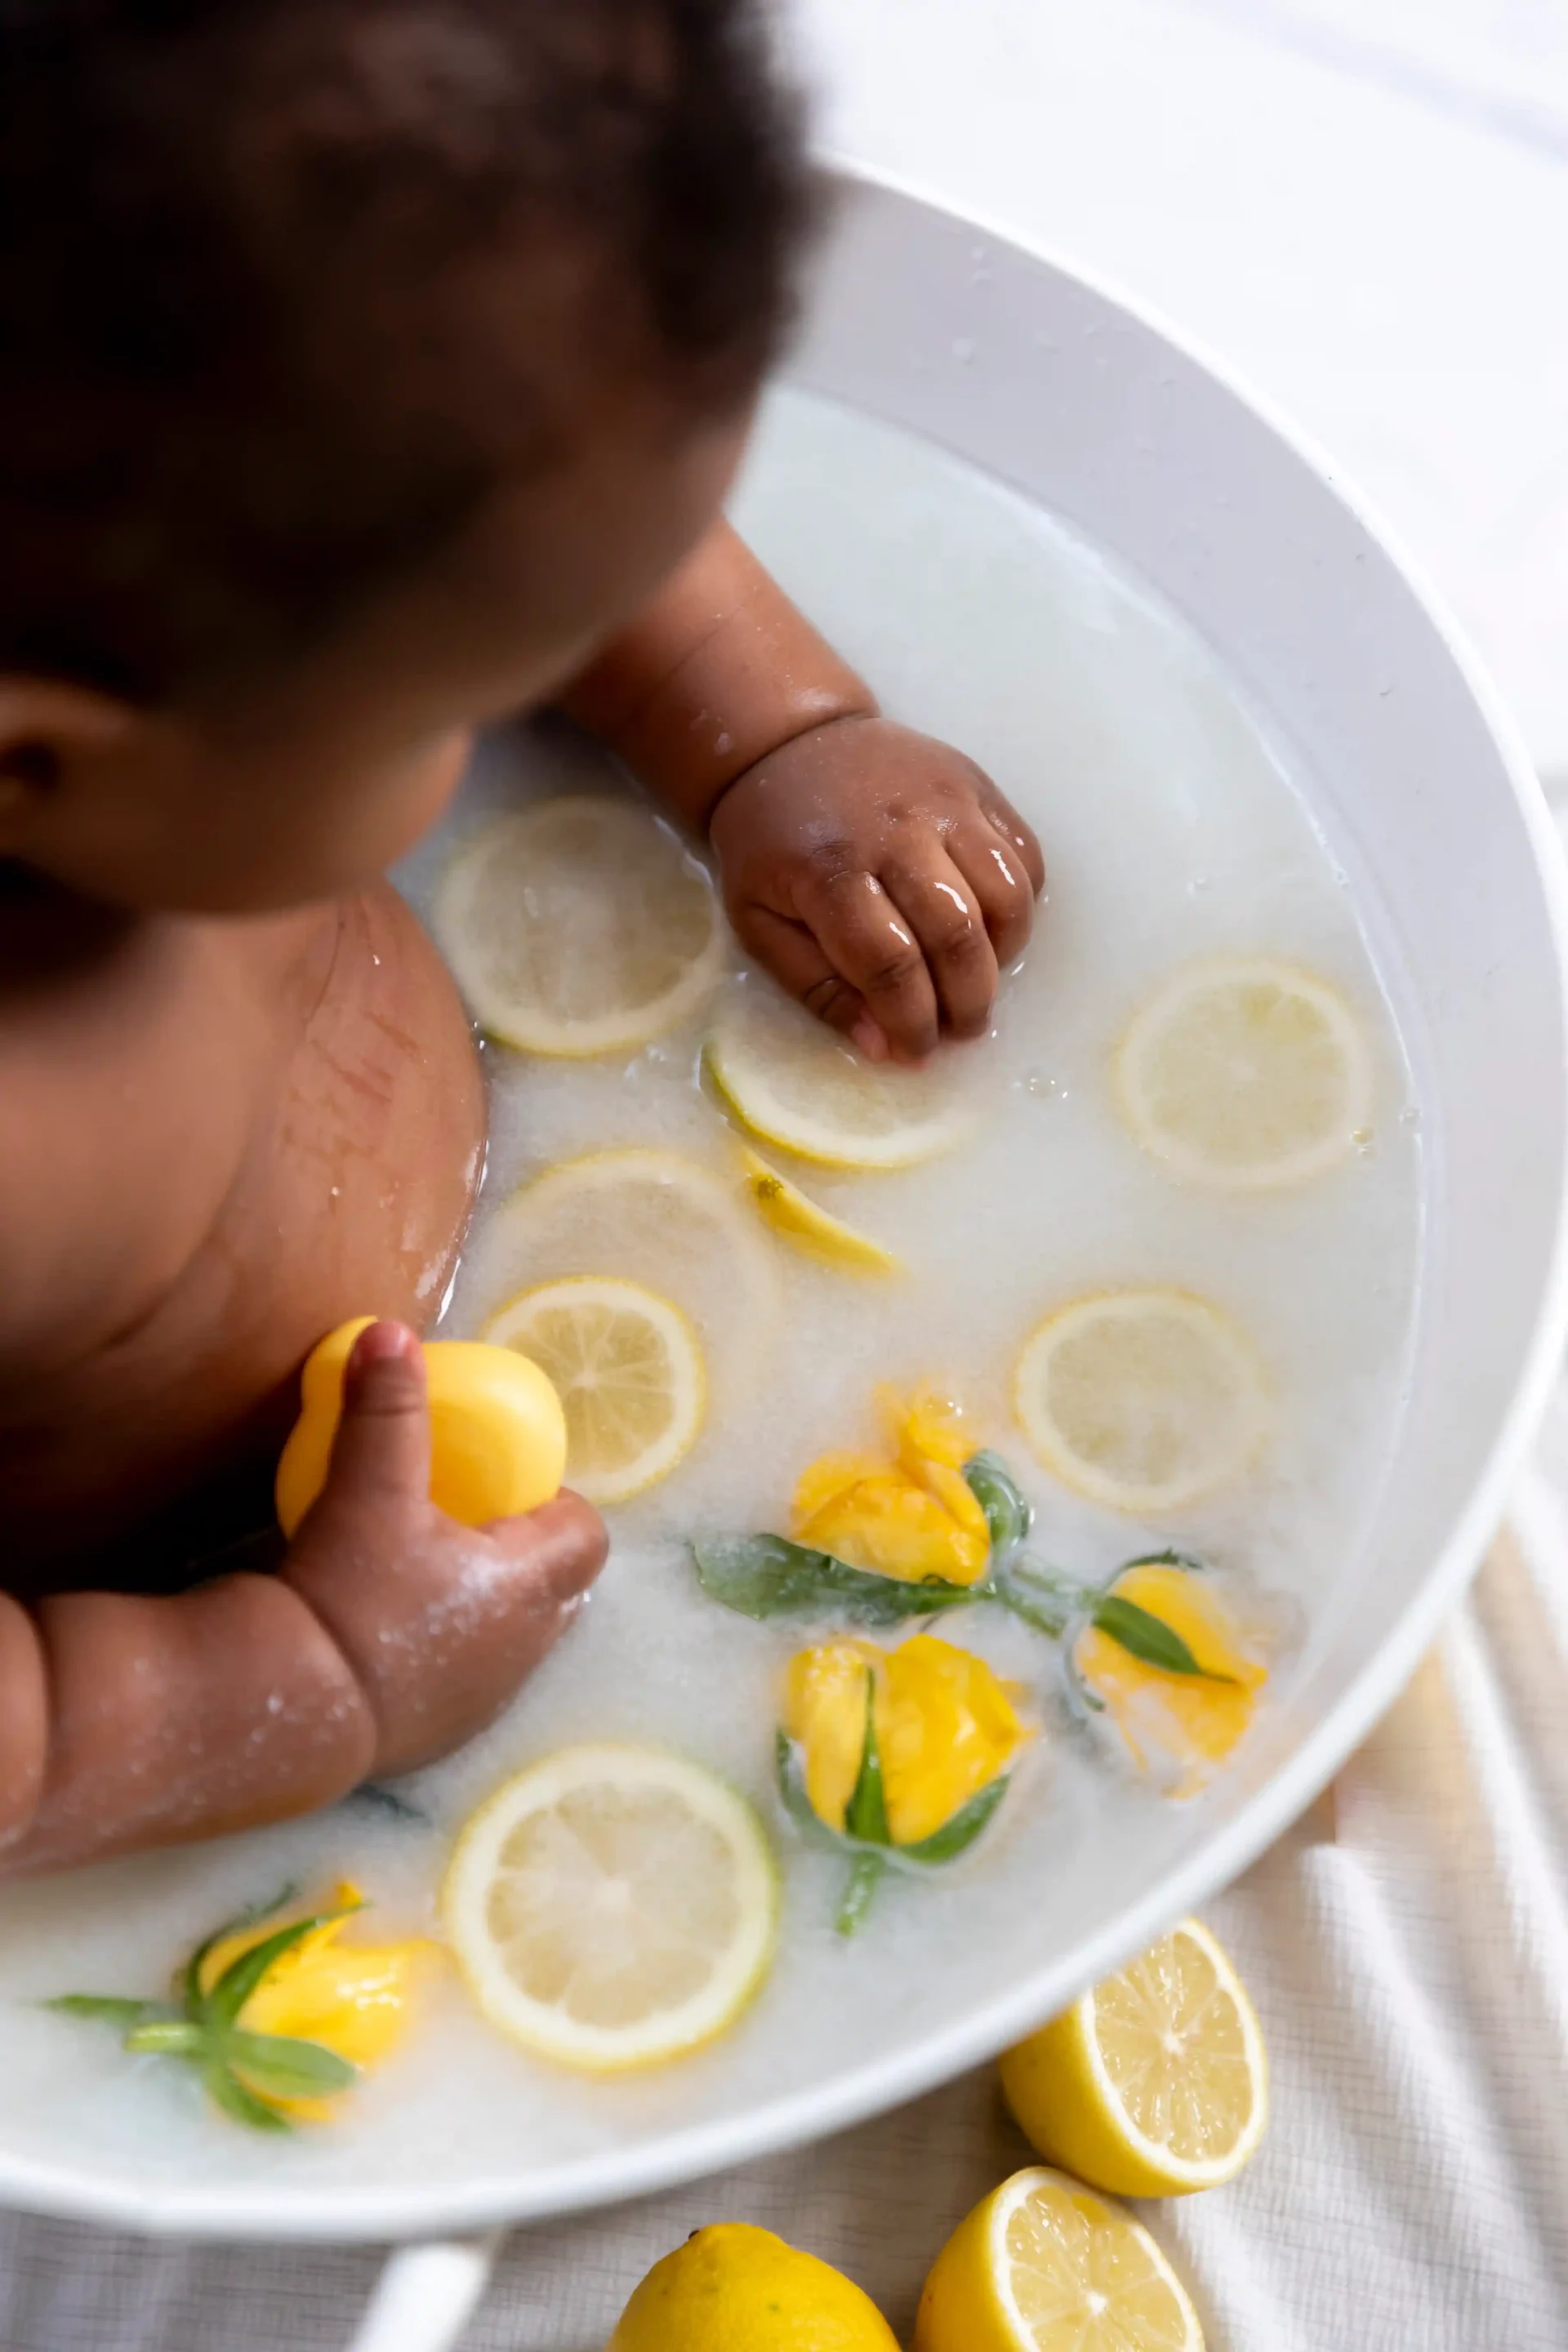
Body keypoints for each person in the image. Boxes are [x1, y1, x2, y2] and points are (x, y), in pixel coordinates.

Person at [0, 0, 1043, 1875]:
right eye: (442, 714)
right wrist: (298, 1670)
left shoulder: (229, 518)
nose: (526, 680)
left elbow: (540, 489)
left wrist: (771, 730)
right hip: (172, 1574)